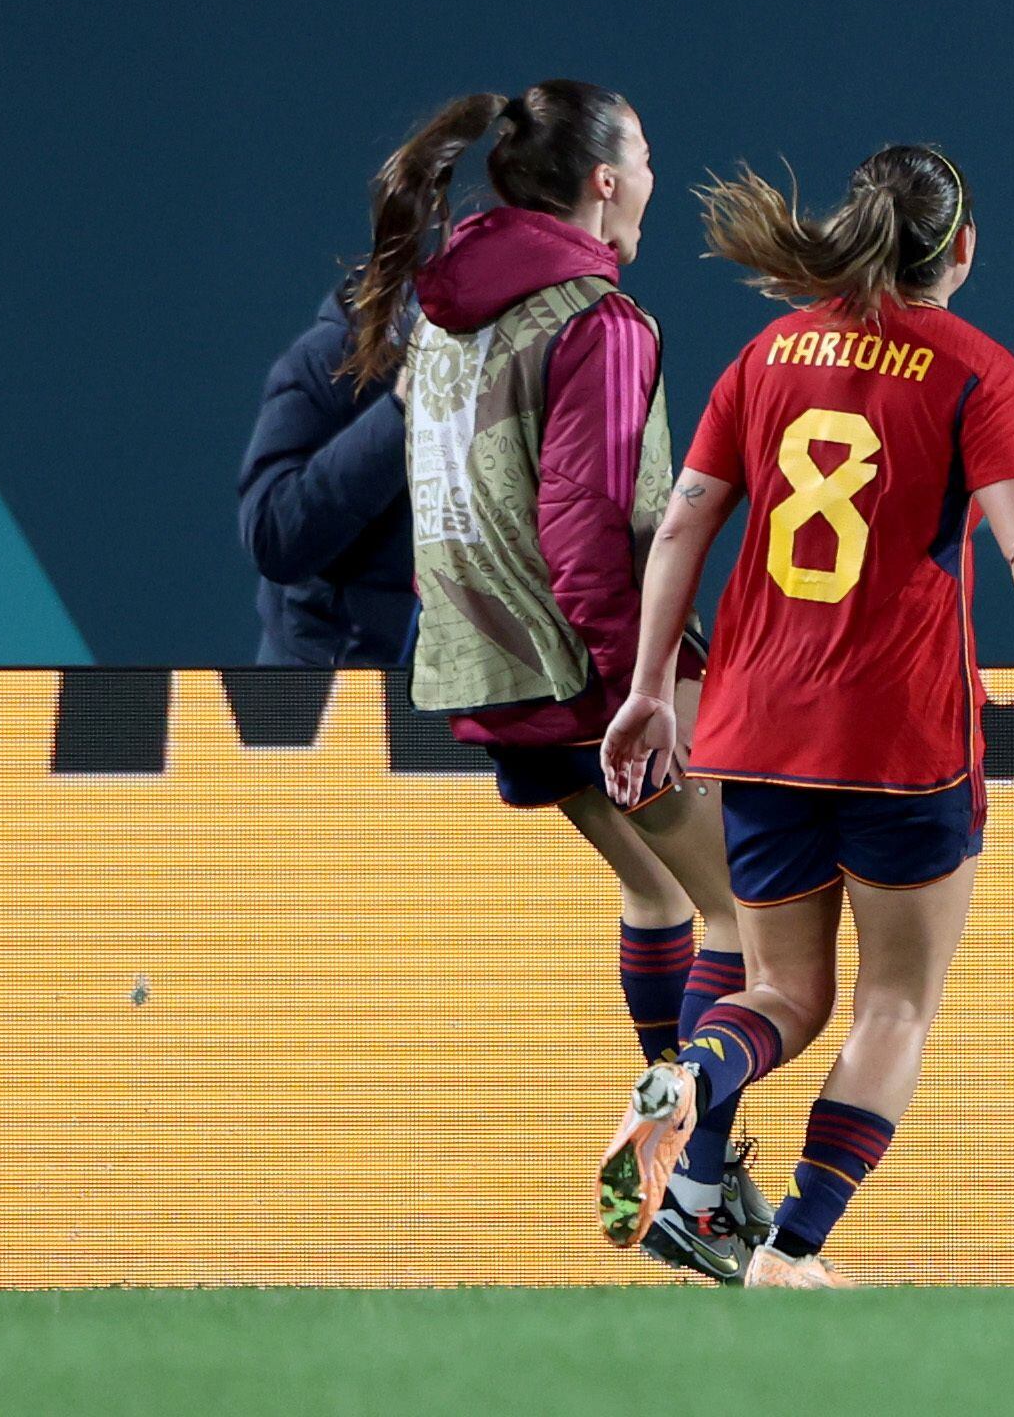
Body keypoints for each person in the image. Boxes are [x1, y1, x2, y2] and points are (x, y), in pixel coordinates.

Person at [597, 145, 1014, 1290]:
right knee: (896, 999)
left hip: (758, 721)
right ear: (962, 248)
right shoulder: (974, 368)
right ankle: (792, 1247)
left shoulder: (767, 351)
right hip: (899, 737)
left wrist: (650, 687)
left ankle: (691, 1081)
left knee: (782, 989)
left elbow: (684, 523)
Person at [340, 83, 758, 1284]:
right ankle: (697, 1177)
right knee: (757, 930)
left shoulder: (446, 310)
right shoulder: (596, 320)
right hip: (589, 670)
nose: (656, 184)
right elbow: (585, 525)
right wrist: (645, 681)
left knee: (659, 896)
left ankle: (692, 1159)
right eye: (649, 160)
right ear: (607, 183)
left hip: (485, 670)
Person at [236, 275, 413, 666]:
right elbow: (275, 535)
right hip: (327, 703)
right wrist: (400, 413)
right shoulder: (334, 357)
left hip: (475, 704)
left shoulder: (538, 356)